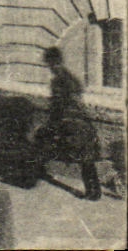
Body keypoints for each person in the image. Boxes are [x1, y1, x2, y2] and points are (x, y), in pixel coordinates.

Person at [36, 46, 101, 200]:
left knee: (42, 139)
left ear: (53, 62)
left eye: (50, 64)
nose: (50, 67)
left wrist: (52, 123)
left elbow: (59, 105)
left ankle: (37, 172)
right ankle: (94, 191)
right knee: (86, 157)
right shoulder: (71, 78)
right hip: (81, 121)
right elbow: (78, 101)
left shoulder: (59, 80)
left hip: (70, 123)